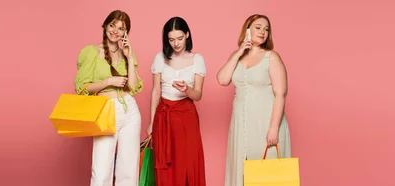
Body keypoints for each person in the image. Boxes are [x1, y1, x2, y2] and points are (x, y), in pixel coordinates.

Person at [216, 14, 292, 186]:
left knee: (268, 176)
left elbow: (281, 94)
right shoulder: (237, 56)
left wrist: (273, 128)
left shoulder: (272, 57)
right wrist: (239, 52)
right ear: (247, 30)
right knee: (244, 173)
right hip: (242, 126)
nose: (263, 32)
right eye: (258, 27)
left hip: (265, 124)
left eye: (266, 29)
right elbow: (222, 79)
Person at [74, 10, 144, 186]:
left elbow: (134, 87)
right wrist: (108, 81)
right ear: (105, 25)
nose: (115, 31)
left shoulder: (127, 53)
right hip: (106, 111)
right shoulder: (91, 52)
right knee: (101, 170)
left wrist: (129, 57)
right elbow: (81, 88)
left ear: (126, 33)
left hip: (130, 111)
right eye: (112, 25)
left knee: (128, 170)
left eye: (121, 28)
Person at [147, 16, 207, 186]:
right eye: (171, 39)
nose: (176, 43)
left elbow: (198, 95)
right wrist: (151, 122)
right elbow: (156, 91)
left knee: (188, 163)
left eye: (180, 38)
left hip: (186, 117)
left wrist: (187, 89)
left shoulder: (197, 60)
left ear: (187, 35)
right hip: (163, 117)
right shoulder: (160, 58)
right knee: (165, 166)